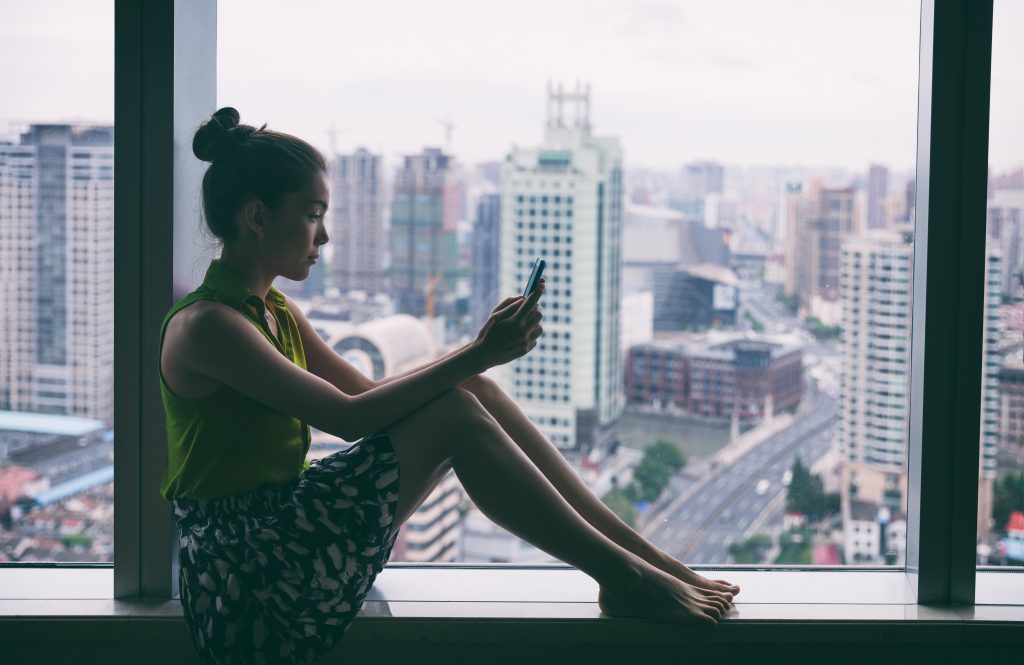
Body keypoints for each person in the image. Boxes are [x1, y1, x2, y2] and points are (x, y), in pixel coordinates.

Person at [159, 107, 739, 665]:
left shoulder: (273, 310)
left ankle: (649, 562)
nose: (325, 235)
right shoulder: (210, 325)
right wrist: (478, 352)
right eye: (313, 214)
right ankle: (627, 578)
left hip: (284, 539)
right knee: (457, 410)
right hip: (249, 582)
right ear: (258, 217)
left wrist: (476, 363)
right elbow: (351, 418)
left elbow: (370, 394)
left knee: (474, 394)